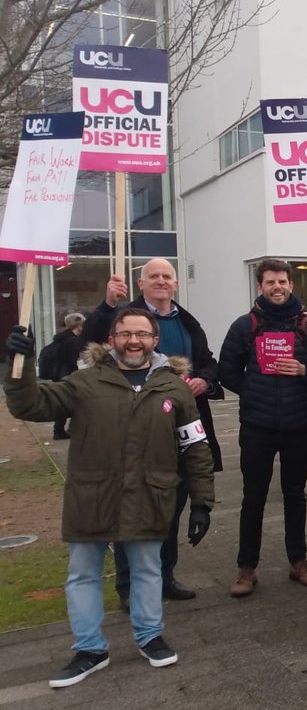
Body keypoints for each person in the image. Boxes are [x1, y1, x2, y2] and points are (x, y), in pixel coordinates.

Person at [6, 310, 215, 687]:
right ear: (111, 339)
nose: (133, 341)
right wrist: (18, 366)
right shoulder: (84, 382)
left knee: (148, 570)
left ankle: (149, 635)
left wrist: (202, 501)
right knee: (83, 574)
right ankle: (90, 649)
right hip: (93, 495)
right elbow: (29, 406)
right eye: (124, 334)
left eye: (142, 334)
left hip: (150, 495)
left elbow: (195, 446)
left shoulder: (175, 388)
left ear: (155, 339)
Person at [81, 257, 222, 604]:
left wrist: (205, 380)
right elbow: (85, 350)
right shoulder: (123, 319)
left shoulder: (188, 323)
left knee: (172, 508)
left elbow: (208, 362)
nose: (161, 281)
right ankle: (129, 587)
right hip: (133, 429)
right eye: (153, 276)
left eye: (167, 276)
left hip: (180, 428)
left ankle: (164, 577)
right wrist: (107, 304)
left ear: (175, 284)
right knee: (131, 511)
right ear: (140, 284)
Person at [217, 259, 307, 597]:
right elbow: (227, 373)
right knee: (253, 497)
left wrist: (304, 373)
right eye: (270, 282)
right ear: (260, 286)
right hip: (257, 426)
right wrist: (256, 392)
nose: (277, 287)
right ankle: (246, 568)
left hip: (299, 424)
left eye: (282, 281)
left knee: (295, 494)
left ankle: (298, 561)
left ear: (291, 284)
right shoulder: (244, 326)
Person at [39, 312, 86, 440]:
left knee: (63, 402)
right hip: (67, 375)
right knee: (72, 402)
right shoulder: (72, 340)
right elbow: (72, 361)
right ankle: (61, 430)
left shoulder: (61, 338)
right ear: (78, 325)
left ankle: (59, 430)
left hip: (58, 374)